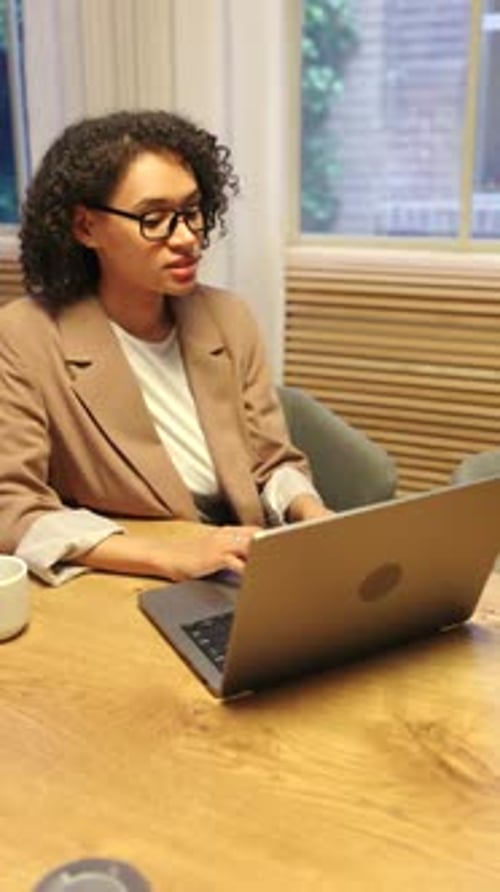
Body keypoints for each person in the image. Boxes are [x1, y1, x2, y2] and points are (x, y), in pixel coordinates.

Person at [0, 109, 331, 586]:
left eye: (192, 211)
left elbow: (272, 462)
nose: (187, 238)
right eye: (154, 219)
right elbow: (13, 507)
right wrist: (169, 556)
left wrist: (310, 511)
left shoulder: (229, 317)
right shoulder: (24, 336)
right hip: (128, 579)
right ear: (86, 227)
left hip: (245, 565)